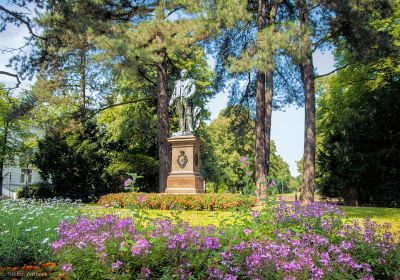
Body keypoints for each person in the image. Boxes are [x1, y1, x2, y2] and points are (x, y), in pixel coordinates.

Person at [170, 69, 197, 135]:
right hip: (178, 99)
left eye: (185, 72)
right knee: (180, 115)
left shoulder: (190, 81)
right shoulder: (177, 82)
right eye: (182, 72)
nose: (184, 73)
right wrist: (171, 100)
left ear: (187, 74)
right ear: (180, 73)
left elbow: (193, 90)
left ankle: (190, 128)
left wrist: (189, 96)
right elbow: (174, 92)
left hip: (186, 99)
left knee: (188, 113)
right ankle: (181, 129)